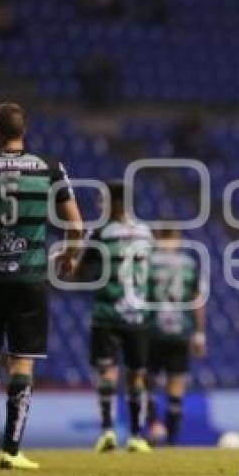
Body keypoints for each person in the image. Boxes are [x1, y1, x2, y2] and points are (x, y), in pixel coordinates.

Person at [0, 102, 83, 470]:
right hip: (30, 279)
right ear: (24, 131)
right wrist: (70, 256)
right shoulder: (50, 169)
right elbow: (77, 225)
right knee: (21, 362)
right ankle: (11, 449)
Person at [78, 181, 154, 454]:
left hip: (107, 313)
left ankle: (108, 431)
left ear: (115, 203)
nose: (99, 206)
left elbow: (80, 271)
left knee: (107, 372)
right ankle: (136, 435)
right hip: (138, 314)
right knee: (136, 375)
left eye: (103, 201)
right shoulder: (146, 233)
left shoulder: (100, 232)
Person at [145, 227, 206, 445]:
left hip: (153, 329)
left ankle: (154, 425)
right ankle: (172, 439)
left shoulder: (149, 262)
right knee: (176, 383)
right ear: (177, 237)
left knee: (148, 380)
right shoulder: (188, 263)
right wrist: (199, 334)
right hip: (180, 330)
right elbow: (197, 300)